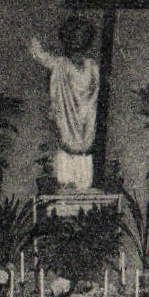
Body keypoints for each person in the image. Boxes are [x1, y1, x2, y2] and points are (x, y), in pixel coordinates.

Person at [29, 15, 100, 190]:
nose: (77, 40)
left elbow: (94, 93)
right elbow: (41, 56)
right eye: (73, 35)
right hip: (67, 129)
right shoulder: (61, 65)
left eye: (81, 35)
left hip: (86, 124)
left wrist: (86, 109)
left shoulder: (92, 67)